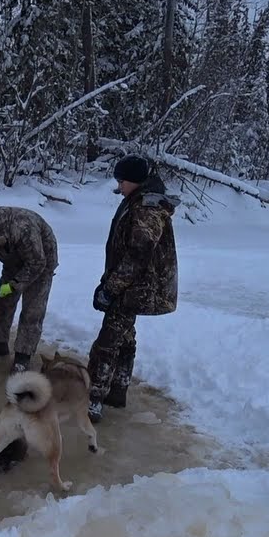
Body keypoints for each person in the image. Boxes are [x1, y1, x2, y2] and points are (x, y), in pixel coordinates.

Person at [86, 155, 179, 423]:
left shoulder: (147, 209)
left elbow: (138, 255)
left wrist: (111, 289)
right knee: (124, 338)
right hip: (131, 286)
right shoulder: (138, 202)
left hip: (135, 288)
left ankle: (93, 400)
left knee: (107, 344)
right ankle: (117, 390)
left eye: (121, 181)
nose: (119, 186)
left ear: (134, 180)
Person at [0, 204, 58, 373]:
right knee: (3, 302)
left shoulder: (24, 229)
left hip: (40, 263)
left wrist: (10, 286)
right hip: (13, 260)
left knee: (32, 310)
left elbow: (37, 263)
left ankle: (23, 356)